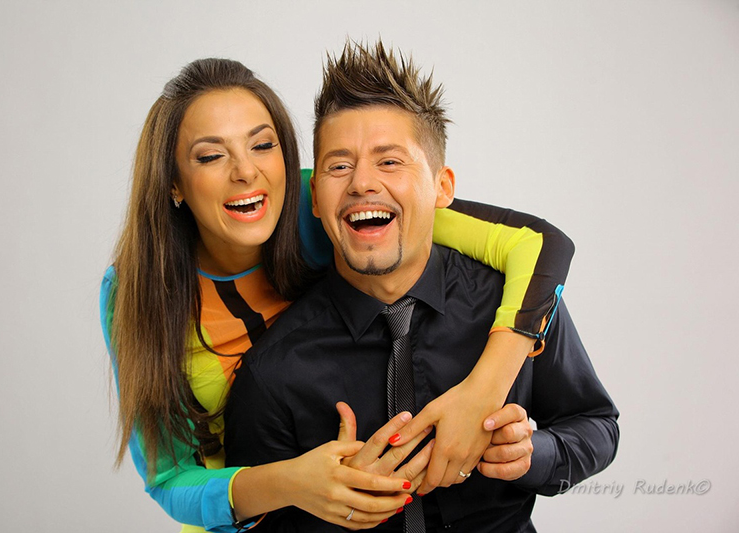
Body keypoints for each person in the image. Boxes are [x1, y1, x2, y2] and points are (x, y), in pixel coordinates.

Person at [100, 56, 575, 533]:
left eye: (262, 145)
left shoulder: (333, 203)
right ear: (174, 183)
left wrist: (481, 394)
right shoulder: (138, 291)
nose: (245, 171)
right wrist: (296, 483)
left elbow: (538, 244)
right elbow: (169, 479)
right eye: (210, 156)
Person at [224, 40, 619, 532]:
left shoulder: (513, 302)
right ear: (316, 199)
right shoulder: (272, 369)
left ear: (442, 187)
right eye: (339, 166)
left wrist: (533, 454)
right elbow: (250, 518)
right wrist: (328, 506)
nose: (361, 183)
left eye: (390, 161)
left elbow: (597, 426)